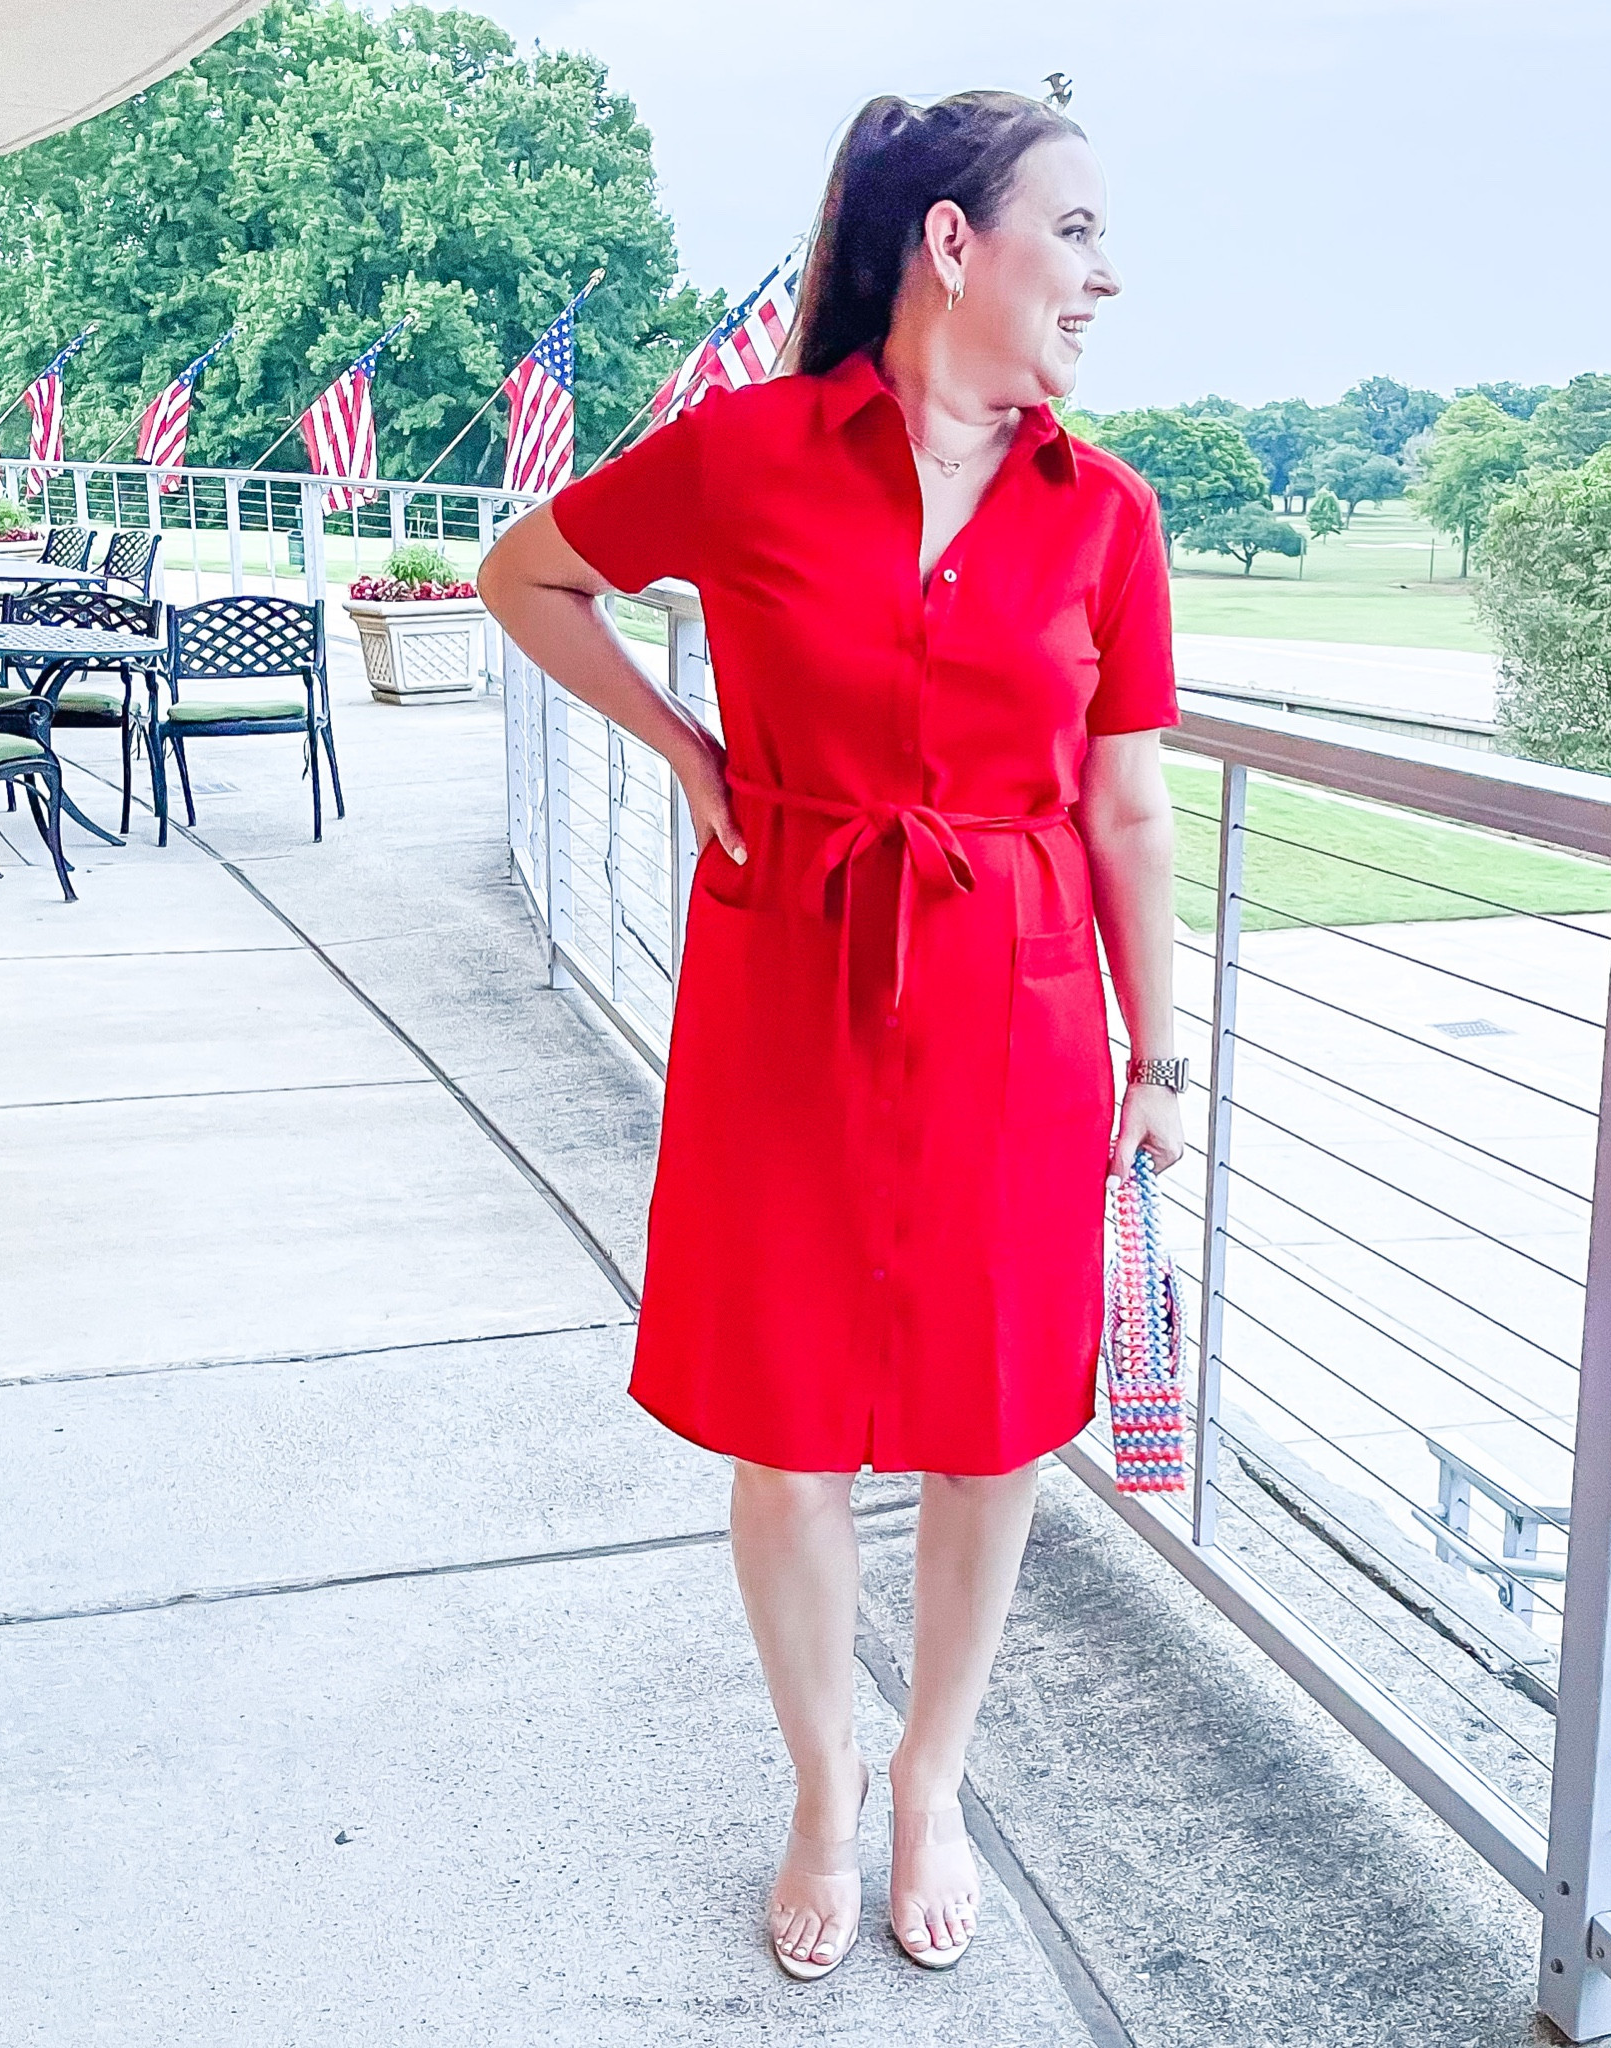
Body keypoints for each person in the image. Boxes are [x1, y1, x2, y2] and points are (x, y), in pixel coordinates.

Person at [479, 87, 1183, 1982]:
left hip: (1017, 1010)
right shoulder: (750, 454)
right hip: (789, 982)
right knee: (785, 1428)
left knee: (990, 1426)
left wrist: (1161, 1063)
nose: (1106, 277)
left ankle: (933, 1774)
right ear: (953, 242)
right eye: (1077, 231)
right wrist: (681, 743)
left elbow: (1127, 810)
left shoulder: (1107, 515)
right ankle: (823, 1784)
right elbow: (526, 574)